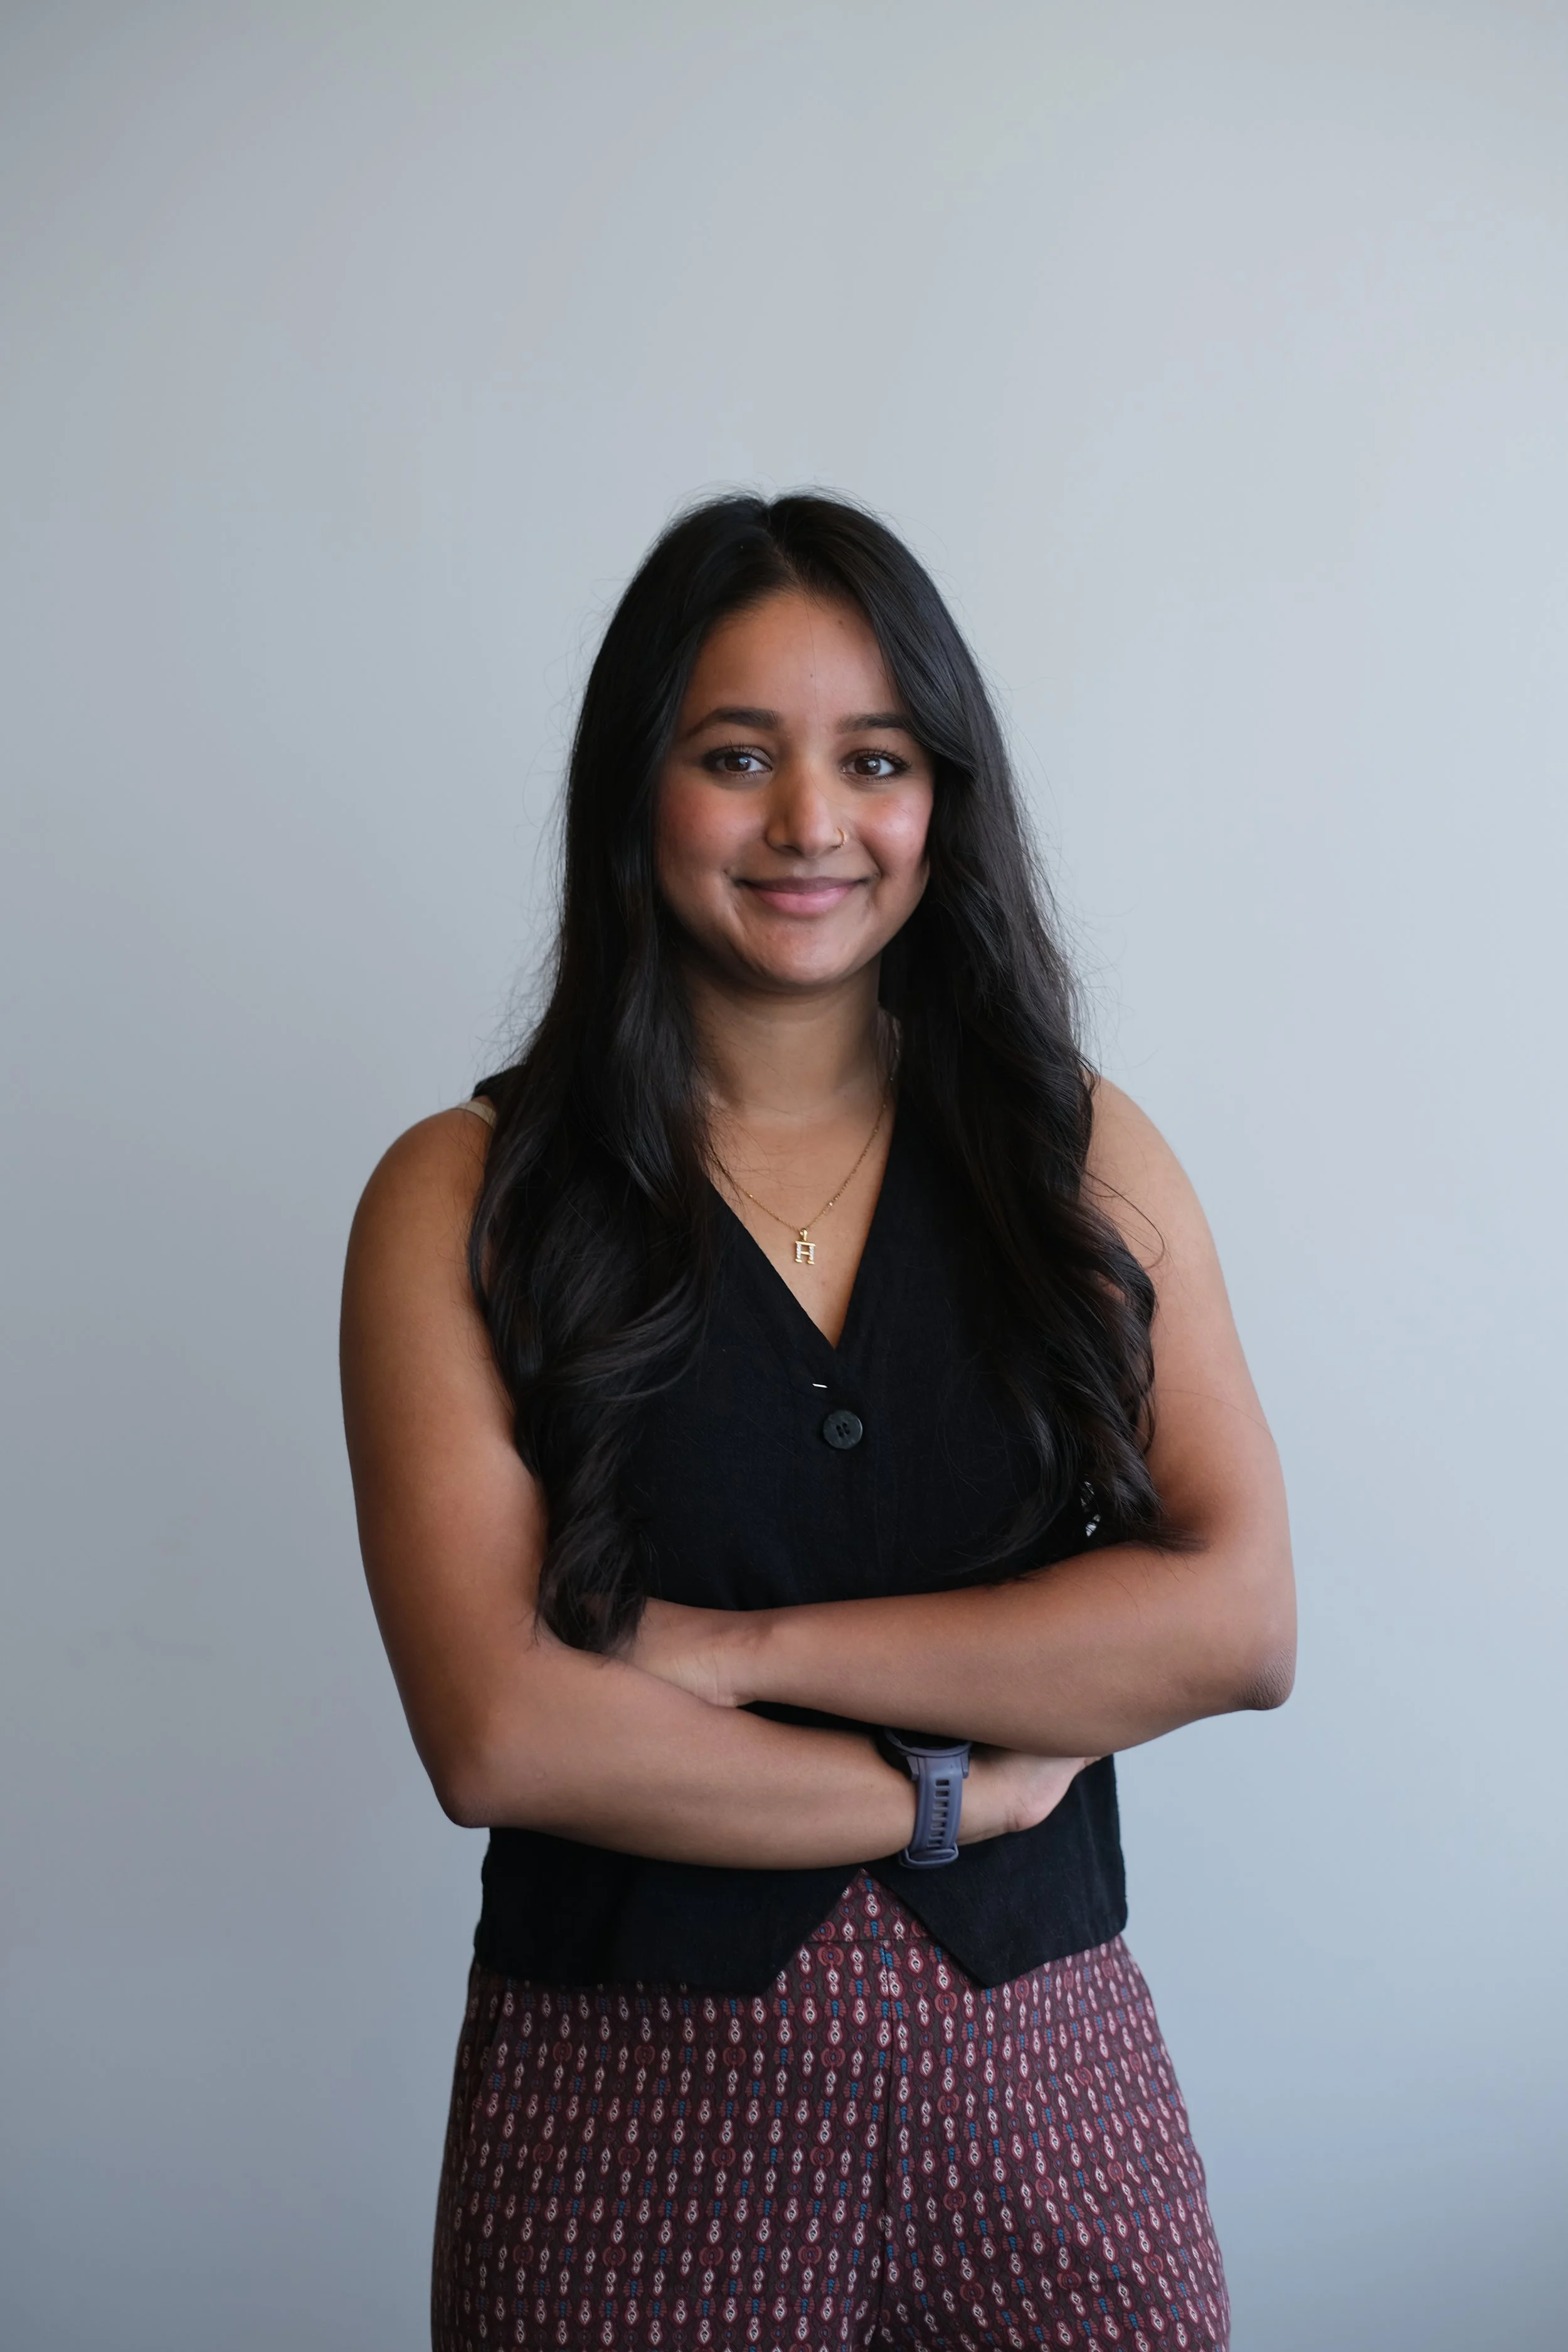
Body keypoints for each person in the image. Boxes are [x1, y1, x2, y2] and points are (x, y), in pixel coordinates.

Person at [340, 492, 1294, 2352]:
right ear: (636, 788)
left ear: (942, 797)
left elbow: (1237, 1619)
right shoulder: (459, 1196)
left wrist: (738, 1655)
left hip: (1046, 2095)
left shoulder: (1078, 1151)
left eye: (873, 759)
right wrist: (945, 1793)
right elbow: (502, 1729)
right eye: (735, 755)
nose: (810, 822)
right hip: (623, 2122)